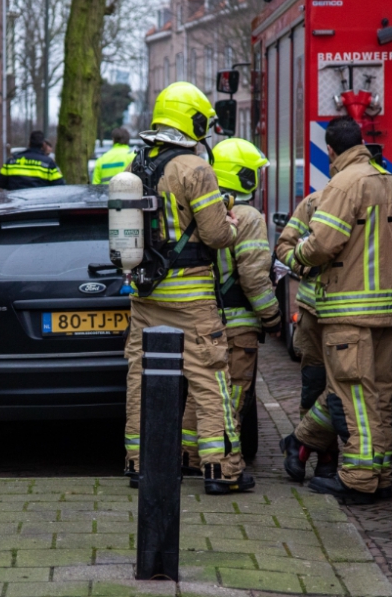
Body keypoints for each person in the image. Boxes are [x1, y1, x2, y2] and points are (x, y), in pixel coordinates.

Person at [124, 81, 254, 495]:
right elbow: (215, 235)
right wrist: (231, 225)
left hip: (146, 294)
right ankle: (221, 469)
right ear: (191, 119)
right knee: (210, 378)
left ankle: (138, 464)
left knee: (141, 380)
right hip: (191, 297)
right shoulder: (194, 168)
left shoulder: (135, 165)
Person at [280, 115, 392, 505]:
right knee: (381, 395)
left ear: (330, 150)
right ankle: (380, 474)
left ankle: (358, 479)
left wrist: (298, 259)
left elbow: (321, 244)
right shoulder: (390, 181)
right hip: (386, 309)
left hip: (348, 311)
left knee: (353, 397)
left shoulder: (343, 183)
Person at [179, 137, 280, 476]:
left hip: (203, 320)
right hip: (237, 328)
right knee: (232, 395)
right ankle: (223, 461)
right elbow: (253, 276)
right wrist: (272, 316)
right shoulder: (248, 216)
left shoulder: (204, 211)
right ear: (244, 176)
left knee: (201, 391)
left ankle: (190, 456)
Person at [274, 187, 339, 481]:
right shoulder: (313, 202)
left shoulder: (366, 201)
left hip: (349, 313)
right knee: (313, 387)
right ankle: (324, 458)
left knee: (339, 388)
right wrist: (304, 265)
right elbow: (284, 244)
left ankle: (301, 446)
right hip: (313, 312)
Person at [0, 130, 65, 189]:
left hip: (15, 201)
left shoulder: (12, 161)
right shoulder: (48, 163)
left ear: (29, 143)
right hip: (39, 202)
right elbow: (60, 185)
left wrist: (13, 188)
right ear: (43, 145)